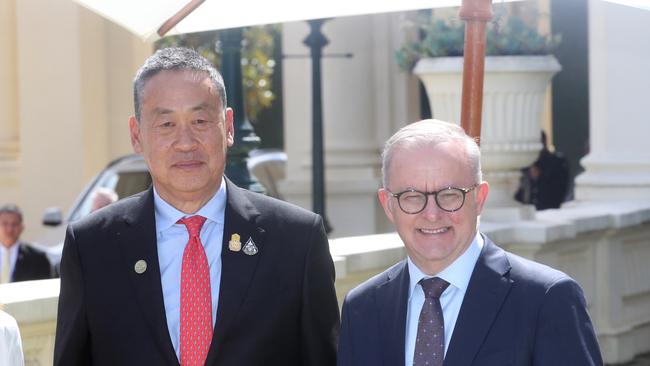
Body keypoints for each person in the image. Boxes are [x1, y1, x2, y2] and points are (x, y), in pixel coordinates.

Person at [54, 48, 339, 366]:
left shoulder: (296, 240)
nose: (186, 142)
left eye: (200, 120)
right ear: (136, 135)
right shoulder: (93, 246)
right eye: (166, 125)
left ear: (228, 126)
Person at [337, 120, 602, 366]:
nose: (431, 214)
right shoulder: (362, 308)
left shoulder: (545, 299)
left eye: (450, 194)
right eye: (412, 196)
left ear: (479, 198)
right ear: (388, 205)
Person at [514, 131, 569, 210]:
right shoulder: (525, 164)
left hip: (548, 209)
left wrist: (540, 177)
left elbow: (557, 191)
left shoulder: (556, 162)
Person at [0, 204, 52, 283]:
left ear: (22, 227)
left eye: (14, 224)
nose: (9, 229)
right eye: (5, 224)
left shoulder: (37, 258)